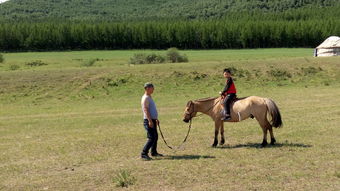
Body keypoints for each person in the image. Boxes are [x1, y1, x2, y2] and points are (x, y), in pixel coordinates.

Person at [140, 82, 163, 160]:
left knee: (155, 136)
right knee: (151, 137)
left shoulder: (149, 97)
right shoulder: (145, 98)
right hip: (148, 120)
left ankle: (154, 152)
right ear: (147, 88)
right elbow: (146, 110)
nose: (153, 89)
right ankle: (144, 153)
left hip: (152, 119)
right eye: (152, 88)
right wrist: (150, 121)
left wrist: (155, 119)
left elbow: (151, 109)